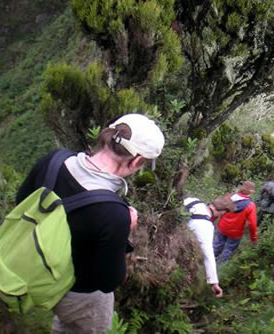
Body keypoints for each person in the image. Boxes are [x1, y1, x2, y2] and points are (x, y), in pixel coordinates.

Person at [15, 113, 164, 333]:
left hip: (32, 268)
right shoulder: (114, 213)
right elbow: (107, 281)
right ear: (136, 161)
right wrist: (126, 228)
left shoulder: (54, 160)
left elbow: (21, 201)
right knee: (94, 308)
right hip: (74, 293)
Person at [183, 196, 235, 297]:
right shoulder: (205, 226)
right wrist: (214, 282)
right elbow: (208, 254)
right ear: (221, 212)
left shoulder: (194, 201)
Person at [213, 181, 258, 263]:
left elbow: (218, 209)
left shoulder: (229, 197)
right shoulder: (251, 205)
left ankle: (208, 260)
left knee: (217, 244)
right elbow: (253, 224)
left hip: (222, 226)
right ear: (251, 192)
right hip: (235, 232)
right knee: (228, 250)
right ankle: (218, 267)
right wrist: (254, 239)